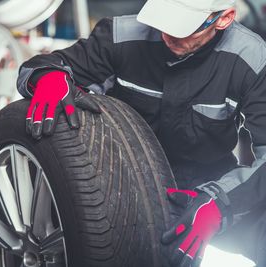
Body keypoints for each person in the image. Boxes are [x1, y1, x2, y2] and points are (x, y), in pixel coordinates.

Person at [16, 0, 266, 266]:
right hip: (117, 182)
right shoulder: (122, 35)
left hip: (201, 190)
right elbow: (41, 65)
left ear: (223, 19)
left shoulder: (252, 58)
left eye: (183, 28)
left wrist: (221, 202)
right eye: (165, 19)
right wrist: (46, 77)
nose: (167, 34)